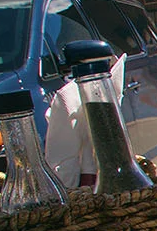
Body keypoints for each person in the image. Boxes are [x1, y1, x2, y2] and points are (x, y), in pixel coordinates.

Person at [44, 53, 126, 189]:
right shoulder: (68, 97)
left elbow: (62, 166)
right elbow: (63, 165)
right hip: (88, 187)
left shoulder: (71, 97)